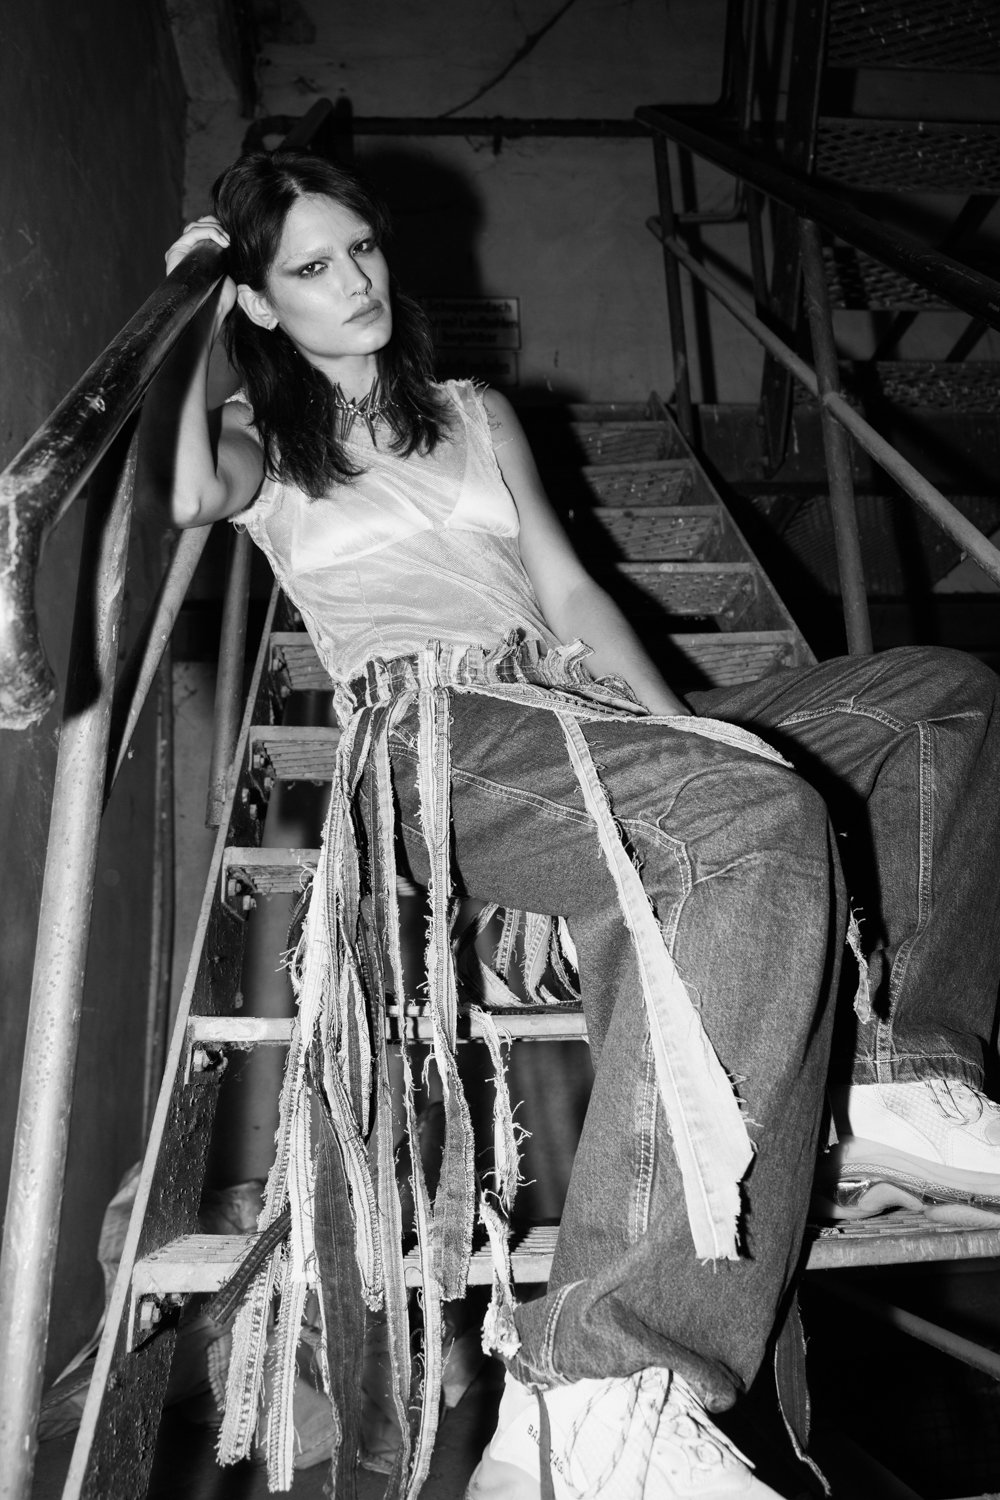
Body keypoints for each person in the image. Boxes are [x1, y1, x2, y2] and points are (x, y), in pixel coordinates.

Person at [144, 149, 1000, 1500]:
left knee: (943, 699)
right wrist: (193, 302)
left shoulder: (474, 410)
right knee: (749, 823)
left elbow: (571, 592)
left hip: (583, 713)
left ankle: (900, 1076)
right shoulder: (265, 441)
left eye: (361, 248)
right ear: (259, 301)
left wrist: (690, 735)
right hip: (436, 737)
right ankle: (601, 1385)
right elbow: (188, 490)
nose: (355, 280)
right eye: (310, 267)